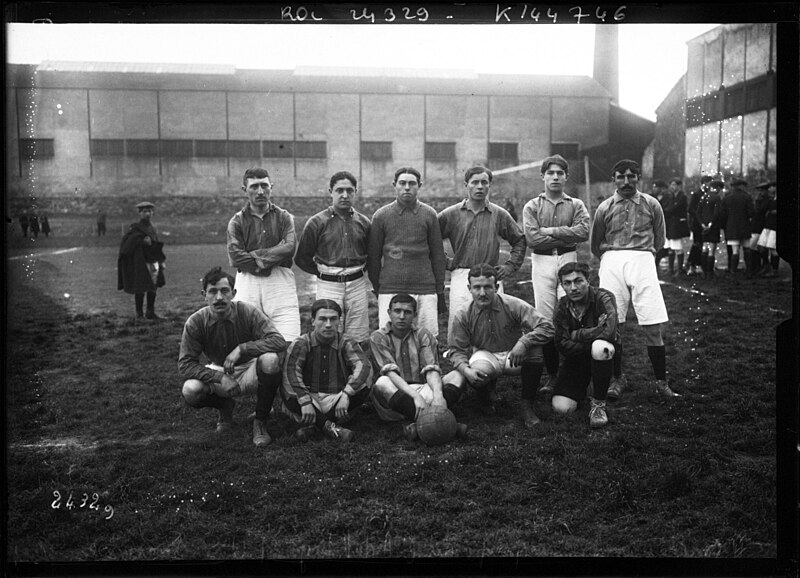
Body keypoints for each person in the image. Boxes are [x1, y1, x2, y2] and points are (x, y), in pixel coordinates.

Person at [589, 159, 679, 400]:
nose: (626, 181)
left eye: (631, 176)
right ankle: (618, 379)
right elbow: (595, 243)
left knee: (652, 322)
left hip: (643, 261)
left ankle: (661, 382)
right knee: (613, 324)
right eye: (621, 176)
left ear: (639, 177)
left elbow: (659, 239)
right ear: (614, 179)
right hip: (612, 262)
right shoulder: (604, 207)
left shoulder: (652, 204)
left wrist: (642, 255)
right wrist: (613, 256)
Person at [179, 267, 287, 446]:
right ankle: (225, 407)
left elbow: (278, 341)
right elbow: (185, 365)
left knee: (270, 360)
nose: (219, 297)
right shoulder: (196, 322)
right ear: (204, 295)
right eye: (213, 292)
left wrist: (243, 348)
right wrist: (219, 377)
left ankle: (260, 420)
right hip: (220, 370)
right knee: (190, 390)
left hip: (250, 369)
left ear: (234, 293)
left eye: (224, 291)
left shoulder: (247, 311)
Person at [447, 263, 555, 428]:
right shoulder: (463, 314)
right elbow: (456, 350)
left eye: (487, 287)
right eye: (477, 287)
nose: (482, 293)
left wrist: (524, 342)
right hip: (486, 355)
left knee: (535, 349)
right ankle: (485, 399)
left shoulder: (513, 304)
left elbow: (547, 326)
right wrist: (466, 370)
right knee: (479, 371)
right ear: (469, 288)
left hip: (514, 354)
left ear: (496, 287)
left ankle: (527, 405)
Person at [521, 154, 590, 397]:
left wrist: (550, 230)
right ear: (543, 176)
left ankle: (574, 371)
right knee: (545, 317)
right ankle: (551, 374)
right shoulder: (532, 206)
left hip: (568, 259)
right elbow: (532, 238)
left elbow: (583, 232)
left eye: (560, 173)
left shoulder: (576, 204)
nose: (555, 177)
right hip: (541, 261)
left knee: (572, 313)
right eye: (550, 173)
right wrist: (565, 233)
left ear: (566, 177)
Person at [438, 165, 526, 336]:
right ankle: (458, 356)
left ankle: (491, 356)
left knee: (494, 320)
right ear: (466, 185)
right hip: (462, 273)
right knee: (460, 317)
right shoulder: (451, 214)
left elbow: (519, 239)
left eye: (484, 182)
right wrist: (445, 261)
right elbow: (431, 238)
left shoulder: (499, 214)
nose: (479, 187)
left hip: (490, 275)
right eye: (474, 182)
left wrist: (509, 266)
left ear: (489, 186)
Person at [369, 293, 467, 440]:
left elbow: (431, 368)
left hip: (423, 390)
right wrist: (415, 396)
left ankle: (419, 425)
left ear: (415, 315)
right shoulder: (378, 337)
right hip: (396, 396)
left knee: (458, 374)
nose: (402, 316)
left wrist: (439, 396)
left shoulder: (422, 334)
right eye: (397, 311)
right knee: (382, 382)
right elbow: (391, 374)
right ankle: (444, 423)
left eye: (407, 312)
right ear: (389, 313)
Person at [367, 167, 447, 338]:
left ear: (419, 186)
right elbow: (373, 258)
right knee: (389, 338)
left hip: (425, 288)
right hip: (391, 288)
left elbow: (438, 255)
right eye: (402, 183)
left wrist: (438, 290)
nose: (407, 188)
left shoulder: (429, 214)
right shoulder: (381, 216)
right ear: (394, 185)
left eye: (412, 183)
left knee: (428, 338)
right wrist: (379, 287)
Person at [295, 171, 372, 345]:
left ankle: (357, 369)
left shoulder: (364, 222)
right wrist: (325, 273)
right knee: (328, 331)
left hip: (357, 283)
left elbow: (371, 255)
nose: (345, 195)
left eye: (349, 190)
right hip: (328, 284)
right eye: (339, 190)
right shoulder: (316, 222)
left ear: (355, 191)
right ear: (331, 191)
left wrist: (356, 271)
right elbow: (302, 258)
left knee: (358, 335)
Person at [281, 299, 373, 443]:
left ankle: (314, 426)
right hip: (309, 397)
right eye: (322, 319)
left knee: (364, 385)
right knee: (288, 390)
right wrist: (305, 401)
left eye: (333, 319)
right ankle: (329, 426)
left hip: (338, 397)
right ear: (313, 321)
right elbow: (291, 372)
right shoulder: (302, 343)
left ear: (339, 321)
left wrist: (347, 394)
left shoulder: (347, 342)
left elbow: (363, 366)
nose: (328, 325)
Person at [227, 167, 300, 342]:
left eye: (264, 186)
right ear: (245, 189)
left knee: (288, 338)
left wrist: (256, 257)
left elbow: (290, 247)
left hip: (280, 279)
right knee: (245, 337)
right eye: (254, 186)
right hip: (247, 280)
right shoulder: (237, 221)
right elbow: (235, 257)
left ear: (271, 187)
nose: (260, 191)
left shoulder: (284, 217)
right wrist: (272, 255)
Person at [552, 262, 619, 428]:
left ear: (588, 280)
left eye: (578, 281)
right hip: (576, 359)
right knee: (562, 408)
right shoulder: (562, 305)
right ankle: (587, 386)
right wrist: (593, 333)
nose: (573, 288)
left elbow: (609, 331)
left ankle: (598, 404)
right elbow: (561, 343)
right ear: (562, 285)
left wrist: (577, 334)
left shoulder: (604, 297)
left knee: (601, 347)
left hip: (603, 354)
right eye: (567, 283)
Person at [117, 201, 166, 319]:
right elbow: (127, 244)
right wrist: (141, 241)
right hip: (141, 262)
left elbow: (156, 245)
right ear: (140, 213)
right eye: (144, 211)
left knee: (153, 286)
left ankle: (150, 312)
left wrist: (161, 260)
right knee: (141, 286)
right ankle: (139, 314)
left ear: (152, 212)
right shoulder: (135, 228)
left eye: (149, 211)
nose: (147, 214)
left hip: (153, 260)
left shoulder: (153, 228)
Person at [718, 178, 753, 274]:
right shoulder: (747, 197)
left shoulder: (727, 198)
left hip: (732, 227)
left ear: (732, 186)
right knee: (747, 248)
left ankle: (733, 270)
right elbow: (751, 212)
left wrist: (725, 225)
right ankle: (749, 270)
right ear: (741, 186)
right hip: (745, 226)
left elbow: (722, 215)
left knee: (735, 250)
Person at [695, 180, 725, 279]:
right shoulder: (717, 198)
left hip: (704, 227)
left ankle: (704, 272)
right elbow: (717, 213)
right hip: (714, 227)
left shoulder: (703, 197)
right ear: (718, 188)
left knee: (705, 248)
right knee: (711, 249)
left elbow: (698, 212)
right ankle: (709, 272)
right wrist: (711, 224)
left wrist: (703, 224)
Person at [685, 176, 712, 276]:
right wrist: (698, 216)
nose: (709, 185)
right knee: (697, 244)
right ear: (703, 183)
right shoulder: (696, 194)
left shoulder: (709, 195)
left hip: (706, 224)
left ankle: (694, 264)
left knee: (703, 245)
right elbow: (690, 209)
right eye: (708, 183)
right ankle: (692, 265)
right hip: (697, 224)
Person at [663, 179, 690, 277]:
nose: (672, 186)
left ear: (679, 186)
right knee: (670, 247)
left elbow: (675, 208)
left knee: (678, 247)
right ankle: (670, 269)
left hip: (677, 225)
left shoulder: (682, 197)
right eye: (671, 184)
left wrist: (664, 212)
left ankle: (679, 269)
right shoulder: (671, 196)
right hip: (670, 225)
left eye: (674, 184)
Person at [749, 181, 773, 277]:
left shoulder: (767, 201)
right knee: (757, 247)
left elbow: (760, 211)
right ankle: (759, 266)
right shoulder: (760, 200)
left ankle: (762, 266)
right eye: (759, 191)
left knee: (756, 246)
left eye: (762, 191)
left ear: (766, 191)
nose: (760, 193)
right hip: (756, 226)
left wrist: (757, 202)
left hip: (762, 226)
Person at [756, 182, 779, 278]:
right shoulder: (771, 199)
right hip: (768, 225)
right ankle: (767, 265)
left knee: (773, 248)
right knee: (761, 246)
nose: (769, 189)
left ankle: (774, 270)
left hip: (775, 226)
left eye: (772, 187)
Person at [649, 180, 671, 272]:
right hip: (652, 225)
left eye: (656, 187)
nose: (654, 189)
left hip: (666, 224)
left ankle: (659, 261)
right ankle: (653, 264)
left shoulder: (668, 197)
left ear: (662, 189)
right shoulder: (650, 197)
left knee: (666, 245)